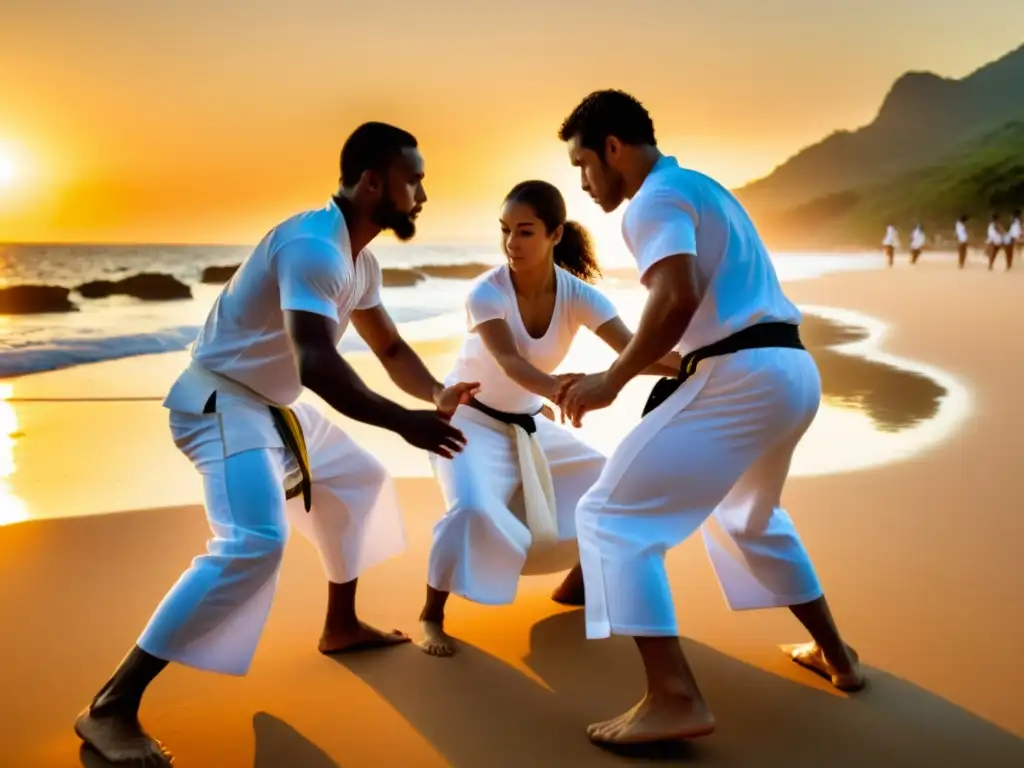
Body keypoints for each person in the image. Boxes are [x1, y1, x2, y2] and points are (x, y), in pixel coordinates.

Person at [74, 122, 480, 766]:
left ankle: (340, 626)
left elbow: (392, 349)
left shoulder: (360, 260)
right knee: (255, 542)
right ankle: (110, 707)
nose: (423, 192)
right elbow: (317, 361)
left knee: (360, 481)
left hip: (275, 407)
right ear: (375, 182)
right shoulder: (313, 246)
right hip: (222, 403)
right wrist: (404, 421)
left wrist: (434, 394)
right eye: (415, 178)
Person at [553, 90, 864, 747]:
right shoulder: (702, 187)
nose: (582, 183)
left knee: (608, 515)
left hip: (742, 377)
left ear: (613, 148)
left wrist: (613, 377)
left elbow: (678, 293)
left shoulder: (654, 201)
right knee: (750, 517)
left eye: (583, 164)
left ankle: (674, 697)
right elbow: (699, 309)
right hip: (791, 373)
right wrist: (652, 363)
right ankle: (838, 657)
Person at [418, 180, 681, 656]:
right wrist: (562, 390)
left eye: (525, 232)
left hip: (527, 424)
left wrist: (697, 362)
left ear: (555, 234)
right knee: (471, 510)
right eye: (505, 232)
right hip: (470, 424)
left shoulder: (579, 295)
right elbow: (512, 364)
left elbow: (634, 351)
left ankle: (575, 585)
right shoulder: (486, 292)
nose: (511, 244)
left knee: (611, 484)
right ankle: (431, 616)